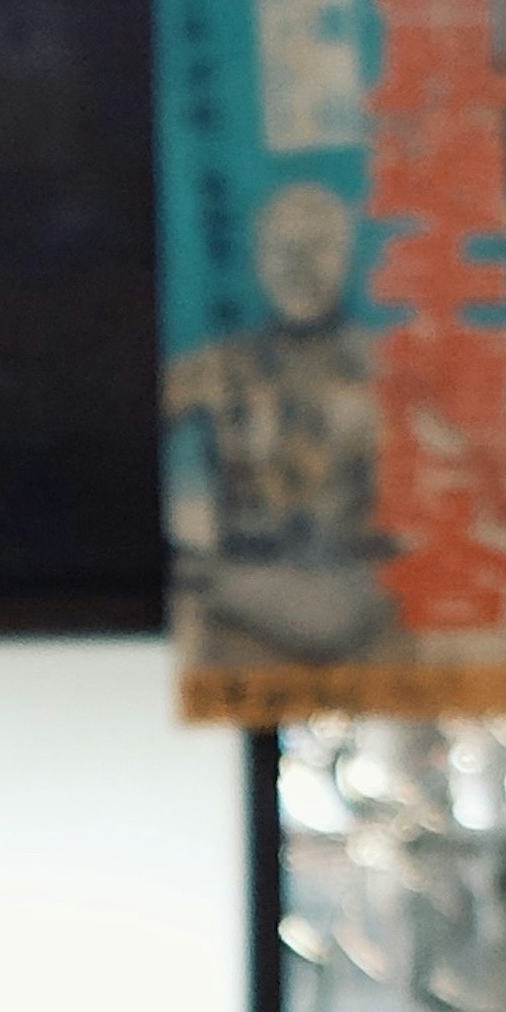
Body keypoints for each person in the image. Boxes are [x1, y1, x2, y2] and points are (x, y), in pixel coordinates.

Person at [164, 174, 391, 669]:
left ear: (349, 255)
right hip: (245, 619)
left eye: (320, 247)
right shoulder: (214, 368)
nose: (301, 267)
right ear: (257, 260)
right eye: (283, 248)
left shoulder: (390, 373)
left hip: (360, 618)